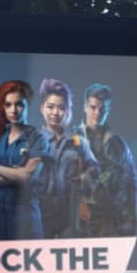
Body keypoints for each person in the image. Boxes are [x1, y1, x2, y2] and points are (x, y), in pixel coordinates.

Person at [0, 80, 50, 240]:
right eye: (8, 105)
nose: (13, 110)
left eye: (19, 104)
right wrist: (16, 175)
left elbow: (27, 177)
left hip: (24, 220)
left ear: (28, 104)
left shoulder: (38, 139)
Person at [37, 78, 99, 238]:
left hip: (70, 210)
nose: (55, 113)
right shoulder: (33, 142)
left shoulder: (77, 142)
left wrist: (83, 179)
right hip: (40, 210)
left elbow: (95, 170)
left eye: (61, 108)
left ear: (68, 111)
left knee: (70, 252)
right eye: (50, 107)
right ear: (42, 108)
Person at [75, 83, 137, 236]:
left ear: (108, 110)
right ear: (85, 107)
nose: (98, 113)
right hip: (81, 217)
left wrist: (131, 217)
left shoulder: (118, 144)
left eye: (103, 109)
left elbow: (131, 182)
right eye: (93, 107)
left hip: (112, 218)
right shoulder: (72, 140)